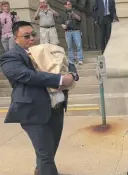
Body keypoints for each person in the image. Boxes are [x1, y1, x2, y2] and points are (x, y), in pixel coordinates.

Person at [0, 21, 79, 175]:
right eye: (26, 36)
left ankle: (40, 171)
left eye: (33, 35)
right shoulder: (10, 57)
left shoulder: (44, 49)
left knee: (49, 151)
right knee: (46, 155)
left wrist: (72, 75)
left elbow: (66, 62)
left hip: (56, 109)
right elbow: (26, 75)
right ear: (16, 39)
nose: (32, 39)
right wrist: (60, 80)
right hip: (33, 112)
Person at [61, 0, 84, 65]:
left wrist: (73, 13)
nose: (68, 6)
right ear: (65, 6)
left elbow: (79, 18)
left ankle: (80, 59)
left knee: (78, 45)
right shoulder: (63, 13)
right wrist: (63, 26)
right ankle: (71, 60)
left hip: (76, 31)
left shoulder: (76, 11)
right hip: (68, 32)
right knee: (69, 47)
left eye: (69, 4)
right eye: (67, 5)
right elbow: (61, 22)